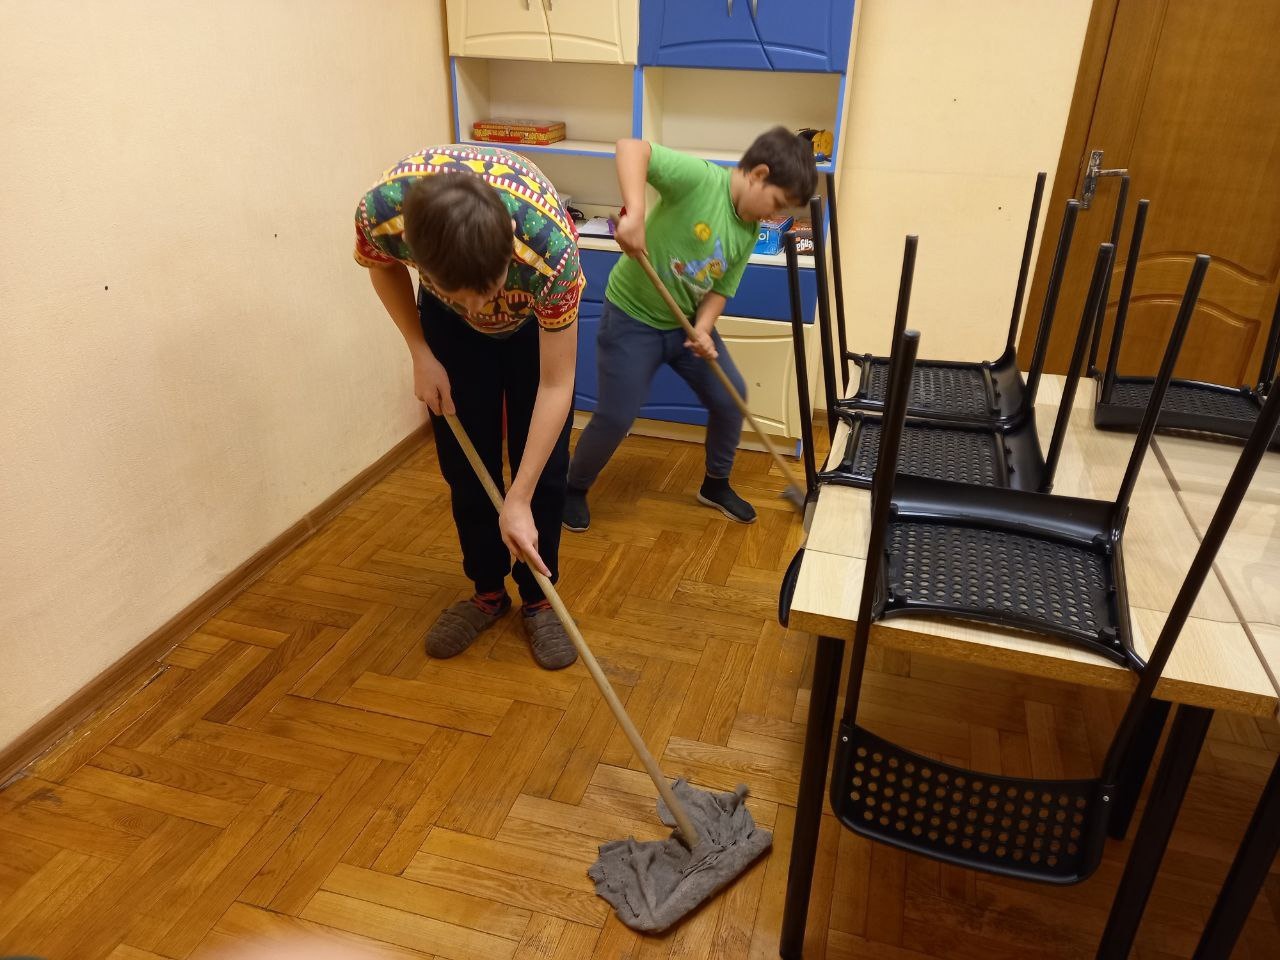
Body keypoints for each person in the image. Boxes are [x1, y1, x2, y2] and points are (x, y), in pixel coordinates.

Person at [354, 145, 583, 669]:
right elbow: (383, 269)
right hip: (446, 330)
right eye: (462, 295)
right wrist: (420, 351)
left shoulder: (551, 250)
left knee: (543, 473)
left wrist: (519, 496)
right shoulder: (382, 212)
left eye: (486, 291)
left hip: (530, 328)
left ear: (508, 256)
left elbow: (557, 384)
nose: (479, 309)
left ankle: (539, 598)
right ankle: (487, 592)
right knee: (465, 464)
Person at [562, 127, 817, 531]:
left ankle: (715, 484)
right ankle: (572, 487)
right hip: (632, 318)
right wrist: (635, 213)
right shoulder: (700, 180)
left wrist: (703, 328)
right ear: (759, 174)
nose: (773, 216)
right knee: (617, 415)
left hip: (685, 324)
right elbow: (631, 149)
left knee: (731, 397)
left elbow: (720, 289)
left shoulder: (749, 231)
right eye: (776, 203)